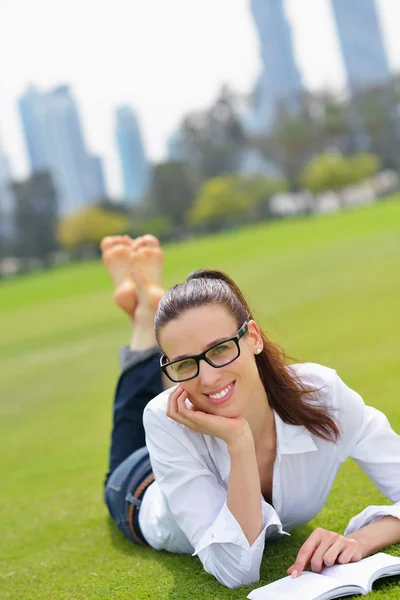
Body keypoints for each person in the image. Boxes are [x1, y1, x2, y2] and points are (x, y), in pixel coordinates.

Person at [102, 234, 400, 589]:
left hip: (186, 446)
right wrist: (238, 441)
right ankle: (143, 321)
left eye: (221, 349)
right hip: (141, 487)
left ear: (254, 337)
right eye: (183, 364)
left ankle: (148, 314)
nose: (209, 375)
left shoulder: (321, 394)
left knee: (201, 388)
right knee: (134, 418)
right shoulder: (163, 420)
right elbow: (236, 571)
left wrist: (362, 539)